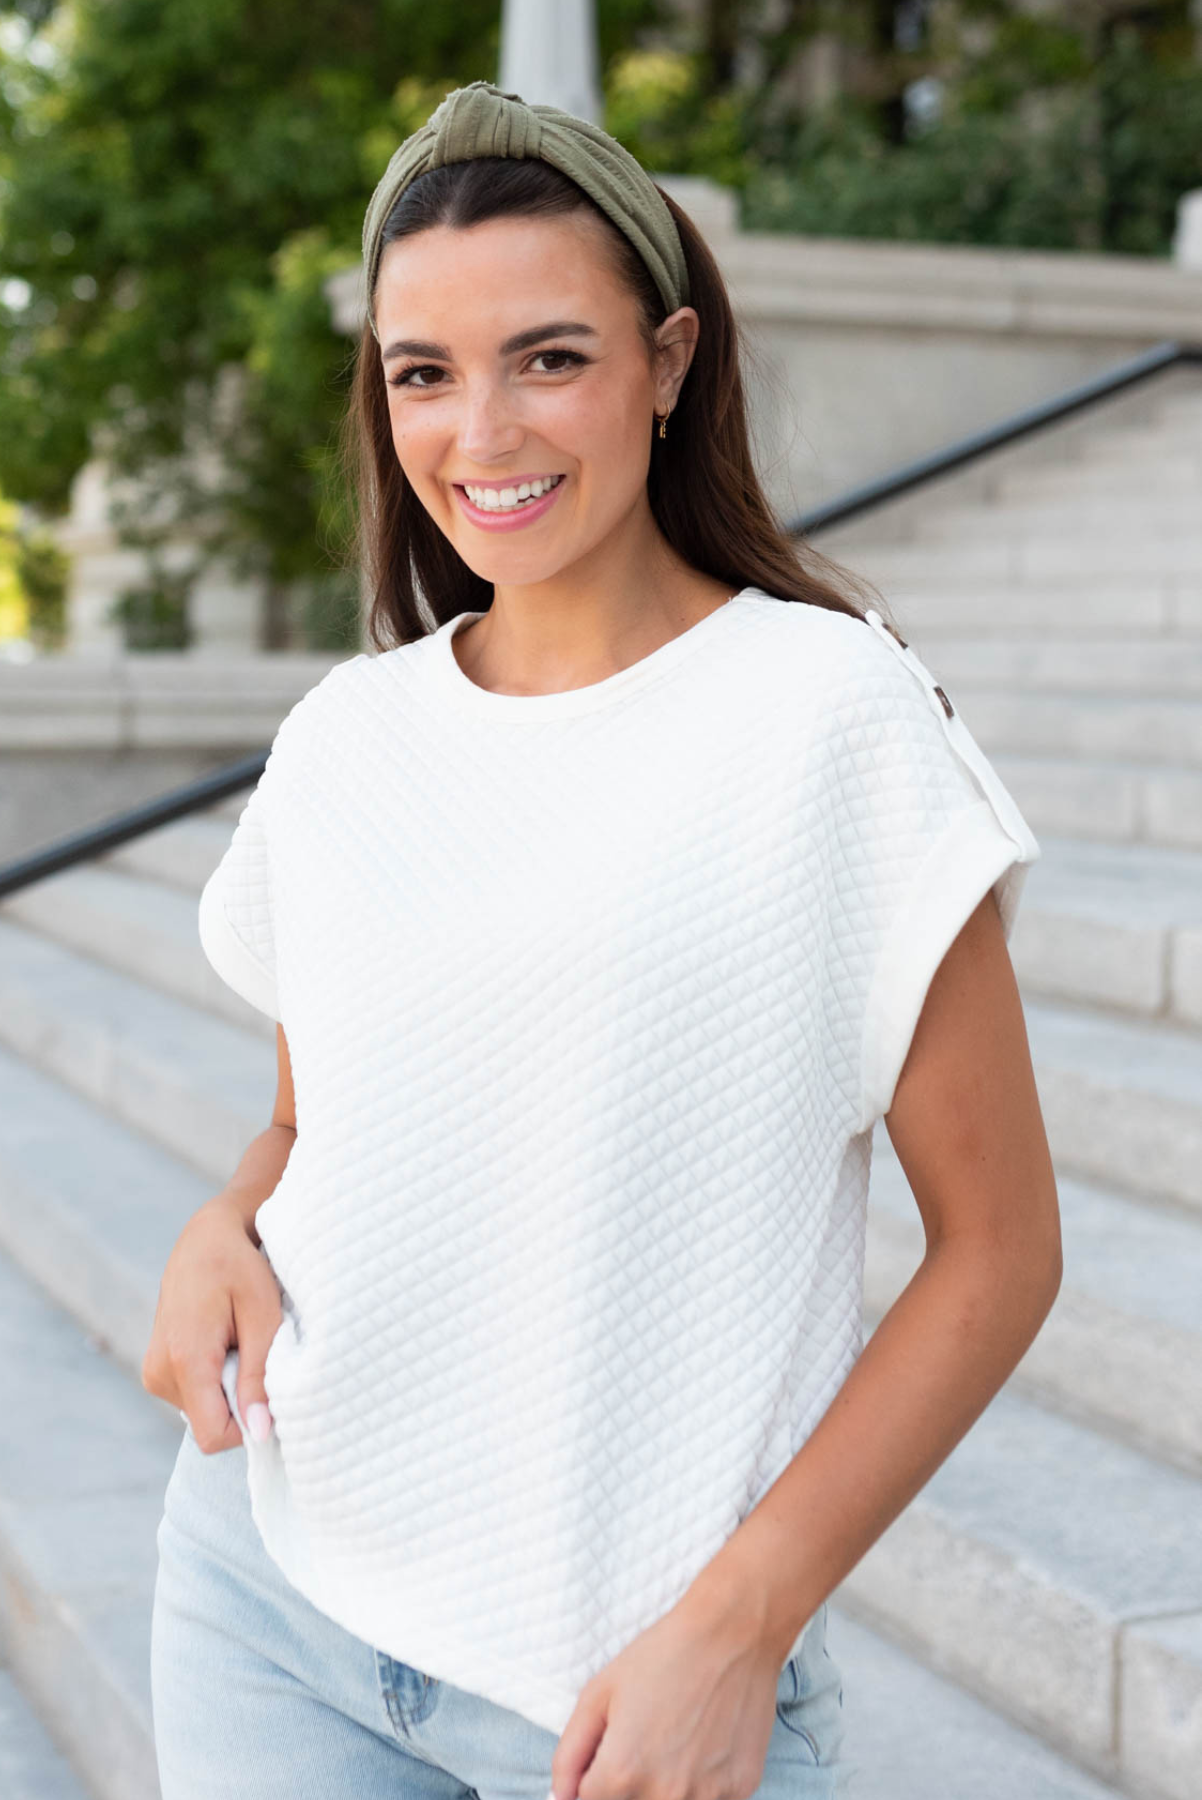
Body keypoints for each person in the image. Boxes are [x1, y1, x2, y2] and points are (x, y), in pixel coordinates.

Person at [145, 79, 1062, 1800]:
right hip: (269, 1603)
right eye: (423, 374)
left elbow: (999, 1251)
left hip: (633, 1700)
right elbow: (305, 1123)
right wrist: (220, 1220)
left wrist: (737, 1628)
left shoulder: (829, 716)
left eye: (547, 356)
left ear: (669, 361)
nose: (478, 433)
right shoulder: (349, 737)